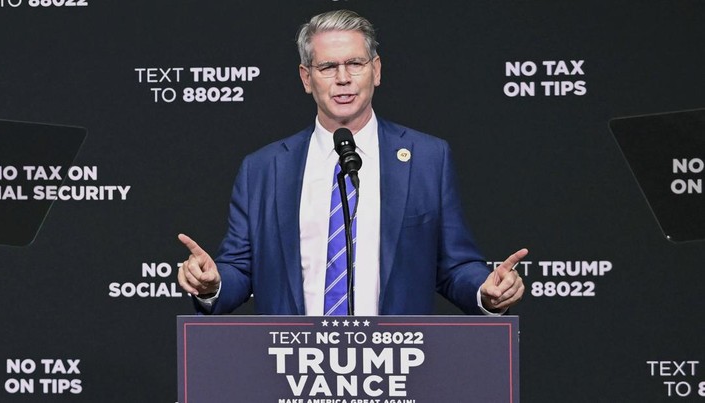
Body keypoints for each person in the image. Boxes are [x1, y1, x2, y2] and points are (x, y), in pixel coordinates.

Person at [177, 9, 526, 316]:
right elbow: (240, 269)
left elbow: (454, 266)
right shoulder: (264, 169)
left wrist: (487, 291)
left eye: (355, 64)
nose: (343, 78)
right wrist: (212, 283)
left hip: (395, 368)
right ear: (306, 78)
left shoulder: (428, 159)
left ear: (375, 70)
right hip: (292, 368)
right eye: (328, 66)